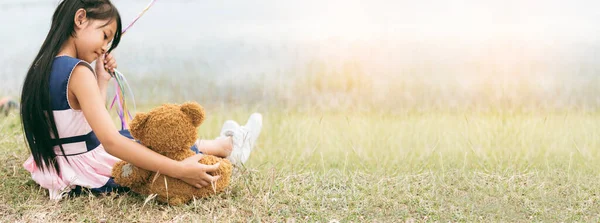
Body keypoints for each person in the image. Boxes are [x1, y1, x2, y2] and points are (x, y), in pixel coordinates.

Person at [20, 0, 262, 200]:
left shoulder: (41, 66)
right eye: (105, 36)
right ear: (80, 18)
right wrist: (179, 170)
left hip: (60, 164)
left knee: (135, 138)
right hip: (87, 169)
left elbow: (80, 123)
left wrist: (101, 79)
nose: (105, 48)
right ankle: (229, 148)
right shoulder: (78, 72)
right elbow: (110, 143)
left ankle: (225, 146)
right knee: (150, 143)